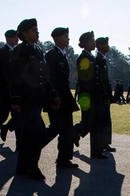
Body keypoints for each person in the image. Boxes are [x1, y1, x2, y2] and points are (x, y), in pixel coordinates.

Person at [9, 18, 59, 180]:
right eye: (33, 30)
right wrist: (15, 100)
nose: (37, 32)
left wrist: (52, 94)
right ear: (24, 33)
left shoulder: (38, 50)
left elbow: (45, 75)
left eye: (37, 29)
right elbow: (14, 77)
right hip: (25, 100)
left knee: (29, 135)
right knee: (35, 133)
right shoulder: (19, 51)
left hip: (37, 99)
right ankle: (32, 167)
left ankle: (23, 167)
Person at [45, 27, 80, 168]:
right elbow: (48, 79)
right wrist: (53, 97)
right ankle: (32, 149)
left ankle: (64, 159)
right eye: (66, 36)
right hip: (56, 100)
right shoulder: (51, 55)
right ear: (58, 38)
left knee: (66, 131)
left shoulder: (62, 54)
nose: (68, 39)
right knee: (56, 128)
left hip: (64, 99)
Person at [0, 29, 19, 142]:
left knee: (18, 116)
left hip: (16, 91)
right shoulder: (2, 52)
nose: (17, 39)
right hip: (5, 90)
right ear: (8, 38)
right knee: (4, 115)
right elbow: (4, 73)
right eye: (14, 37)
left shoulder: (18, 51)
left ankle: (18, 143)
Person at [75, 31, 99, 157]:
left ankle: (76, 134)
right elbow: (85, 80)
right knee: (88, 121)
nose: (94, 42)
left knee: (90, 120)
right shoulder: (84, 58)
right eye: (92, 40)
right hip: (86, 95)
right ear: (85, 43)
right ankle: (74, 133)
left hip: (90, 95)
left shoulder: (90, 56)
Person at [94, 36, 115, 154]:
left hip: (105, 95)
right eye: (106, 44)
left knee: (107, 120)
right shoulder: (97, 59)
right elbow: (100, 80)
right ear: (100, 46)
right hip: (101, 97)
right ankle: (101, 144)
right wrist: (104, 95)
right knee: (102, 121)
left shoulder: (103, 58)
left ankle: (105, 143)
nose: (108, 46)